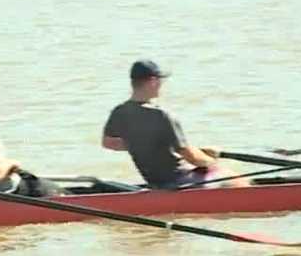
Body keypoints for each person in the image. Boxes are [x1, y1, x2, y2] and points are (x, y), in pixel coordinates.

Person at [102, 60, 248, 189]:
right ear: (153, 81)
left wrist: (142, 146)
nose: (161, 85)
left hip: (155, 181)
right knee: (231, 177)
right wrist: (211, 160)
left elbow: (108, 143)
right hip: (180, 181)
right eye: (160, 81)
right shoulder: (161, 115)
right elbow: (191, 157)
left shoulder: (119, 112)